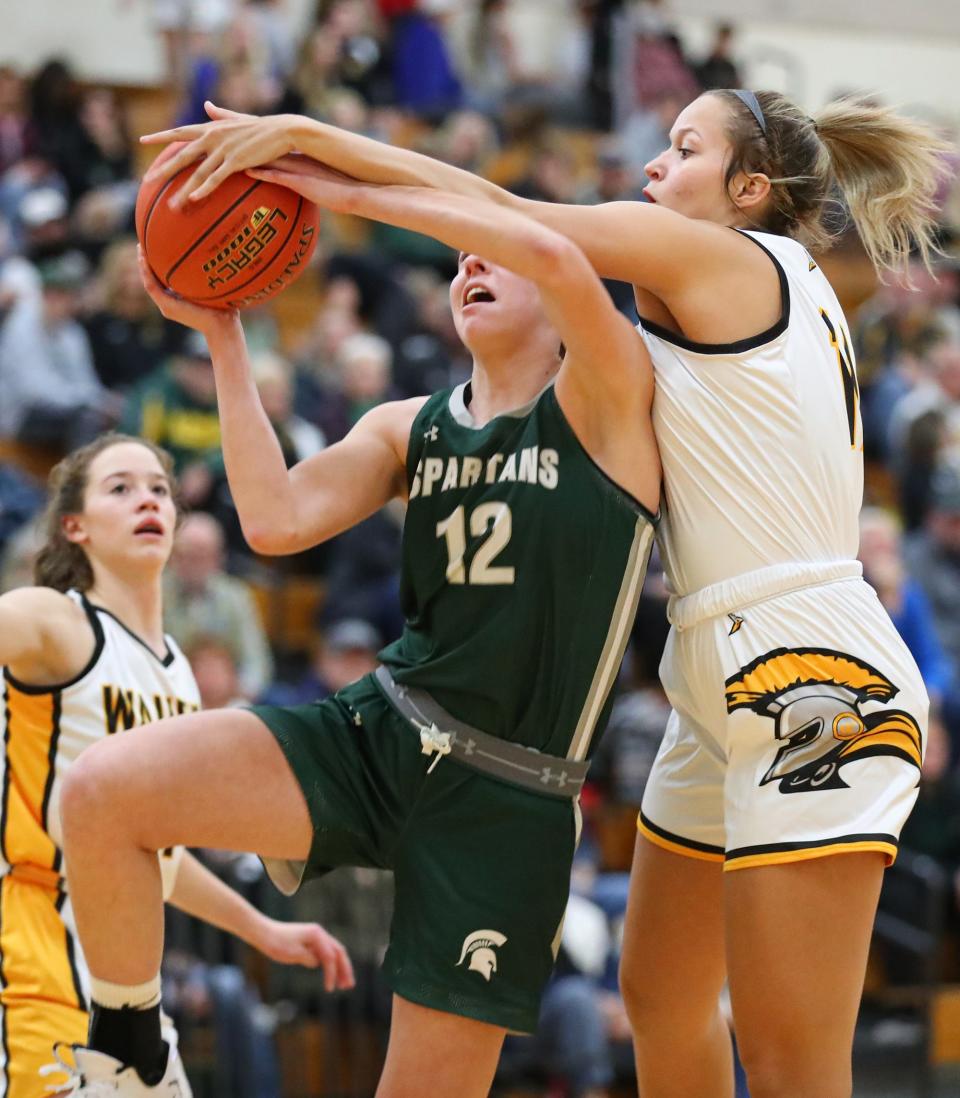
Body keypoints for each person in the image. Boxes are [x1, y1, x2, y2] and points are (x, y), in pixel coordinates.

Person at [140, 84, 948, 1097]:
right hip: (713, 665)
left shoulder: (732, 258)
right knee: (661, 1000)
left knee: (791, 1062)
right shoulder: (703, 288)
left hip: (810, 663)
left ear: (748, 189)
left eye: (684, 148)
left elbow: (522, 226)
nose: (656, 165)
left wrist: (316, 150)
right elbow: (517, 235)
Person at [57, 149, 659, 1096]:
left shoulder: (607, 404)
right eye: (458, 262)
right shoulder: (404, 425)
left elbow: (552, 247)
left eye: (488, 256)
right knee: (100, 791)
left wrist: (340, 181)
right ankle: (132, 1057)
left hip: (503, 797)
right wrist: (224, 335)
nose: (469, 266)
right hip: (378, 733)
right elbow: (274, 520)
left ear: (554, 295)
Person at [0, 433, 354, 1097]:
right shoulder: (58, 624)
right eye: (121, 488)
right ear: (74, 526)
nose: (148, 501)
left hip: (124, 983)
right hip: (32, 959)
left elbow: (152, 857)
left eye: (159, 488)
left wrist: (260, 929)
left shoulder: (178, 675)